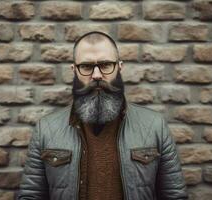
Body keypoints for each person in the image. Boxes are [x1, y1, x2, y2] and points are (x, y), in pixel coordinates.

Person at [18, 31, 188, 200]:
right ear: (74, 70)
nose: (97, 75)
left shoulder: (155, 126)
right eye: (86, 66)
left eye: (106, 65)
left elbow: (175, 195)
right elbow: (30, 196)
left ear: (119, 67)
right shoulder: (46, 129)